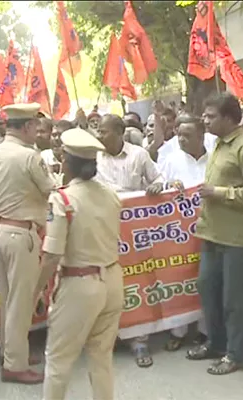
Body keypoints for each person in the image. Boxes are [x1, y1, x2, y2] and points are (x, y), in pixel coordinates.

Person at [186, 93, 243, 375]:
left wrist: (219, 193)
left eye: (210, 116)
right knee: (208, 291)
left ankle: (235, 353)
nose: (204, 120)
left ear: (229, 118)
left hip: (238, 239)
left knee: (234, 300)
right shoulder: (218, 145)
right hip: (212, 234)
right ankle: (216, 344)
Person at [38, 128, 123, 400]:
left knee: (58, 360)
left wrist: (36, 289)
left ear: (65, 162)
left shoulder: (62, 199)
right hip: (112, 279)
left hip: (79, 285)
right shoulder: (110, 194)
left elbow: (52, 254)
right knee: (101, 358)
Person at [0, 103, 54, 384]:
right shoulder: (29, 156)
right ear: (26, 127)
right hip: (21, 232)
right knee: (21, 301)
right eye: (35, 125)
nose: (37, 131)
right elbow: (51, 191)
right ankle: (14, 364)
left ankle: (11, 351)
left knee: (9, 297)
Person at [94, 113, 163, 368]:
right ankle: (109, 338)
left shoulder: (139, 155)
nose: (99, 136)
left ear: (120, 132)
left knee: (137, 282)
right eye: (98, 131)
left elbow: (157, 179)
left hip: (135, 234)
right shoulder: (93, 158)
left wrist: (156, 187)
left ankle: (139, 340)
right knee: (108, 286)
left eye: (103, 131)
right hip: (104, 232)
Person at [159, 114, 209, 350]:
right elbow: (158, 190)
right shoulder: (170, 160)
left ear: (201, 137)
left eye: (187, 135)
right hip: (179, 236)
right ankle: (177, 331)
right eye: (179, 134)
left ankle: (204, 331)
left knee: (205, 282)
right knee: (180, 280)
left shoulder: (215, 159)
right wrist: (166, 188)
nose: (181, 139)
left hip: (210, 232)